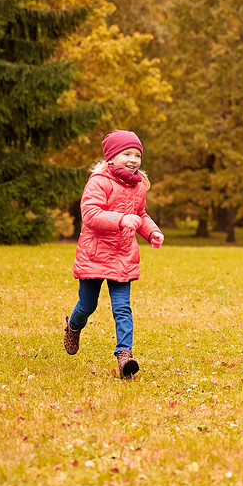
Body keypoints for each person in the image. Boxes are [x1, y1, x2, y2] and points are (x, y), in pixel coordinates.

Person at [63, 130, 164, 378]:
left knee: (122, 308)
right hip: (95, 254)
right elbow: (90, 214)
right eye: (126, 154)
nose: (133, 159)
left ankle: (125, 356)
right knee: (88, 304)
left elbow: (140, 215)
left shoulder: (139, 185)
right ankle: (73, 327)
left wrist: (151, 232)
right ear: (111, 157)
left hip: (123, 256)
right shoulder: (99, 181)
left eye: (137, 155)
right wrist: (120, 219)